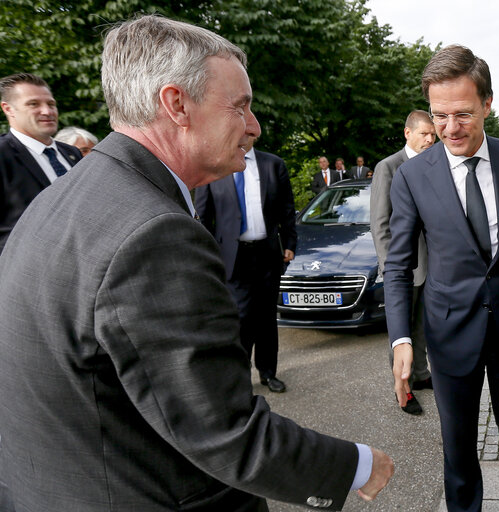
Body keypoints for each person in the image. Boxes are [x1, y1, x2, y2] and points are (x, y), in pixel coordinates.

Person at [0, 15, 393, 511]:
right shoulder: (154, 233)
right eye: (241, 107)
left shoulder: (69, 196)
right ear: (176, 104)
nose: (254, 126)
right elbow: (221, 428)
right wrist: (355, 465)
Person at [384, 45, 499, 512]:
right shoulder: (413, 176)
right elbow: (397, 264)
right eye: (440, 116)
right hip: (449, 328)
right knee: (456, 441)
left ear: (488, 105)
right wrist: (400, 338)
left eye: (463, 114)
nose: (450, 129)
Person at [196, 132, 296, 393]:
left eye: (247, 133)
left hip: (267, 253)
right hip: (231, 256)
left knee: (266, 317)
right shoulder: (214, 167)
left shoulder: (273, 165)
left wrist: (290, 244)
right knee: (240, 317)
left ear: (253, 136)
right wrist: (208, 255)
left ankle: (267, 373)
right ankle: (238, 377)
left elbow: (287, 209)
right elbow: (204, 217)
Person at [371, 109, 436, 415]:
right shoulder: (389, 167)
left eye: (432, 135)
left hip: (432, 265)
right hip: (402, 267)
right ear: (408, 133)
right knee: (401, 331)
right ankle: (405, 389)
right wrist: (389, 267)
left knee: (422, 327)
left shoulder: (434, 165)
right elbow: (380, 222)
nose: (430, 139)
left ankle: (421, 375)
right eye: (425, 134)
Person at [0, 73, 82, 253]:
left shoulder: (72, 153)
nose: (47, 111)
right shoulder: (3, 155)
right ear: (8, 109)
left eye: (51, 104)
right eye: (33, 104)